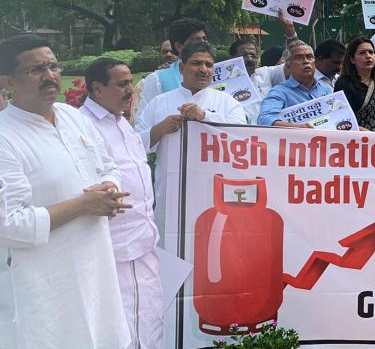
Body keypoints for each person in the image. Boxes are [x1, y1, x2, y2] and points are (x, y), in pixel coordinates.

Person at [0, 35, 130, 348]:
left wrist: (110, 189)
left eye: (53, 66)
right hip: (43, 288)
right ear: (8, 82)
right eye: (36, 70)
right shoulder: (5, 137)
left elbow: (109, 166)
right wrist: (84, 205)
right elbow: (8, 225)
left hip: (96, 272)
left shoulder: (73, 117)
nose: (50, 76)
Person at [81, 58, 163, 349]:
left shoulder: (121, 121)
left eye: (130, 82)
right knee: (122, 325)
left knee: (151, 319)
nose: (131, 90)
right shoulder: (83, 126)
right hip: (116, 248)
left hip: (144, 240)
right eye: (122, 84)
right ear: (97, 89)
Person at [136, 40, 246, 240]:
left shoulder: (228, 103)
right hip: (172, 193)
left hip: (214, 194)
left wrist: (205, 116)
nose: (203, 69)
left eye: (209, 64)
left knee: (213, 248)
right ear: (182, 67)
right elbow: (135, 146)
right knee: (171, 248)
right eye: (197, 63)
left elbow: (240, 141)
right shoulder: (159, 103)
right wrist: (159, 129)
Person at [135, 17, 209, 118]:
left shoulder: (218, 73)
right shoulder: (157, 80)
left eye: (204, 39)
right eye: (196, 40)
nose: (203, 44)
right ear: (179, 46)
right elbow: (143, 122)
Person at [257, 41, 333, 127]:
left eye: (309, 57)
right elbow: (264, 119)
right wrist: (299, 128)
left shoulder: (326, 90)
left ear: (314, 63)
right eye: (299, 58)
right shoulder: (279, 92)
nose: (306, 61)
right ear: (288, 66)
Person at [335, 37, 375, 132]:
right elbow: (342, 119)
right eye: (362, 53)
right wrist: (369, 135)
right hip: (357, 142)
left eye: (371, 52)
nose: (368, 56)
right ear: (352, 59)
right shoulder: (343, 83)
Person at [229, 37, 265, 123]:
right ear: (231, 59)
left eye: (253, 56)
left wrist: (291, 34)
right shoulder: (220, 86)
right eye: (243, 56)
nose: (249, 59)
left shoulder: (266, 74)